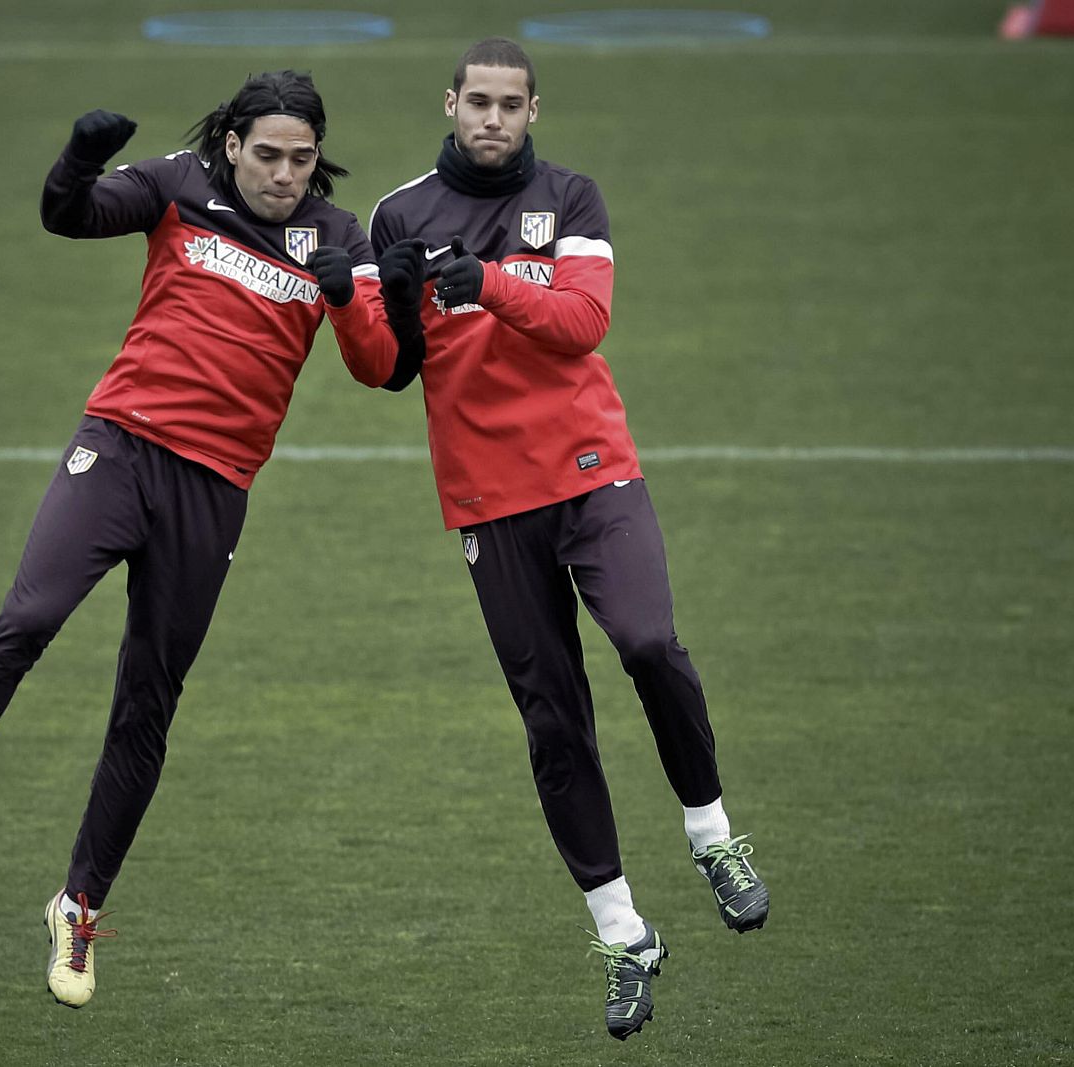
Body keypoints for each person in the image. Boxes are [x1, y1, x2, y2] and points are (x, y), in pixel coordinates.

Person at [0, 70, 405, 1010]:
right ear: (232, 144)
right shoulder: (176, 184)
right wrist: (78, 156)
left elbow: (383, 367)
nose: (284, 175)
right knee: (27, 618)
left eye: (302, 159)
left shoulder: (339, 236)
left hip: (215, 491)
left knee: (149, 697)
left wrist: (347, 298)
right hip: (118, 448)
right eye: (268, 154)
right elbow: (68, 216)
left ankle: (78, 907)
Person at [367, 37, 770, 1040]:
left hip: (594, 471)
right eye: (478, 102)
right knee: (552, 719)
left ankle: (711, 833)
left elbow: (583, 320)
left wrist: (484, 283)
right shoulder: (397, 214)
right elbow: (384, 365)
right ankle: (622, 934)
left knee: (646, 642)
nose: (493, 119)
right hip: (487, 499)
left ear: (533, 110)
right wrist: (349, 294)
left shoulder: (573, 199)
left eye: (512, 104)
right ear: (449, 103)